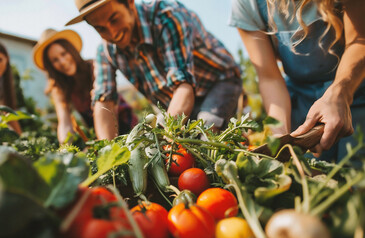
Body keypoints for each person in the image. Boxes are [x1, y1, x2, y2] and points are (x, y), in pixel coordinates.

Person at [65, 0, 243, 140]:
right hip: (176, 102)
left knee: (206, 135)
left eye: (114, 19)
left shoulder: (166, 16)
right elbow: (104, 103)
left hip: (219, 81)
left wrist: (162, 139)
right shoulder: (106, 51)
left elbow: (183, 86)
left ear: (129, 3)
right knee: (181, 147)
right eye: (101, 28)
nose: (112, 33)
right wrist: (110, 154)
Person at [229, 0, 365, 161]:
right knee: (314, 175)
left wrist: (340, 93)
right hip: (301, 104)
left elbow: (360, 42)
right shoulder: (248, 4)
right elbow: (270, 78)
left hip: (355, 90)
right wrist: (279, 135)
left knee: (356, 174)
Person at [32, 28, 137, 143]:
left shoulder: (94, 68)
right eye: (55, 60)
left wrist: (105, 140)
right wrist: (66, 147)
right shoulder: (60, 88)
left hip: (124, 123)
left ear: (71, 51)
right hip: (100, 133)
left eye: (63, 53)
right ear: (51, 66)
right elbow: (64, 122)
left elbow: (109, 104)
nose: (62, 62)